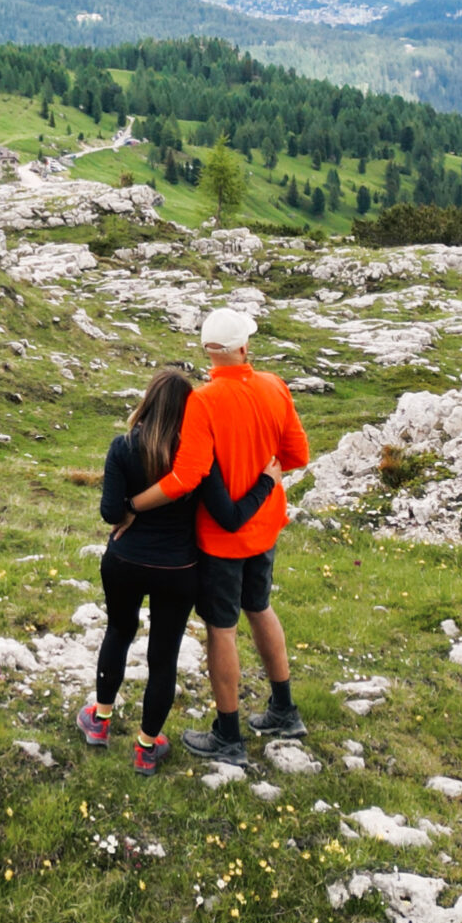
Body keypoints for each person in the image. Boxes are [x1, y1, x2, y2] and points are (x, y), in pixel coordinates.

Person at [124, 305, 311, 764]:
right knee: (260, 607)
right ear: (243, 348)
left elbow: (186, 478)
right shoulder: (274, 386)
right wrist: (264, 478)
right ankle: (284, 710)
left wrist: (133, 507)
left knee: (221, 630)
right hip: (264, 528)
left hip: (221, 541)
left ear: (208, 352)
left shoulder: (203, 402)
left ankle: (229, 735)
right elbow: (298, 455)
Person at [80, 369, 254, 773]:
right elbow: (225, 515)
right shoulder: (196, 456)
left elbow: (109, 512)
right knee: (164, 655)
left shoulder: (123, 447)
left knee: (118, 633)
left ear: (147, 400)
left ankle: (100, 720)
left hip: (125, 562)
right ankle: (146, 746)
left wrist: (130, 510)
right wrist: (264, 483)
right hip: (178, 568)